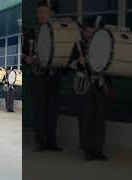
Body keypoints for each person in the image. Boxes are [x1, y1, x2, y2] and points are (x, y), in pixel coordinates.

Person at [24, 1, 62, 152]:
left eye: (44, 12)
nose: (41, 15)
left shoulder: (58, 32)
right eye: (39, 12)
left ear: (51, 13)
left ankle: (52, 141)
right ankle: (41, 140)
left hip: (54, 75)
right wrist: (26, 58)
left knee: (53, 109)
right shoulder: (32, 32)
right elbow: (24, 52)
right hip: (38, 75)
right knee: (39, 109)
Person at [69, 20, 109, 161]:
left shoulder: (103, 46)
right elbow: (70, 64)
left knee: (99, 119)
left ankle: (98, 151)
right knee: (86, 118)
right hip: (85, 85)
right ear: (84, 32)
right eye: (89, 32)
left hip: (99, 85)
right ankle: (87, 150)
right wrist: (78, 63)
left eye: (94, 32)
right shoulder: (78, 45)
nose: (91, 35)